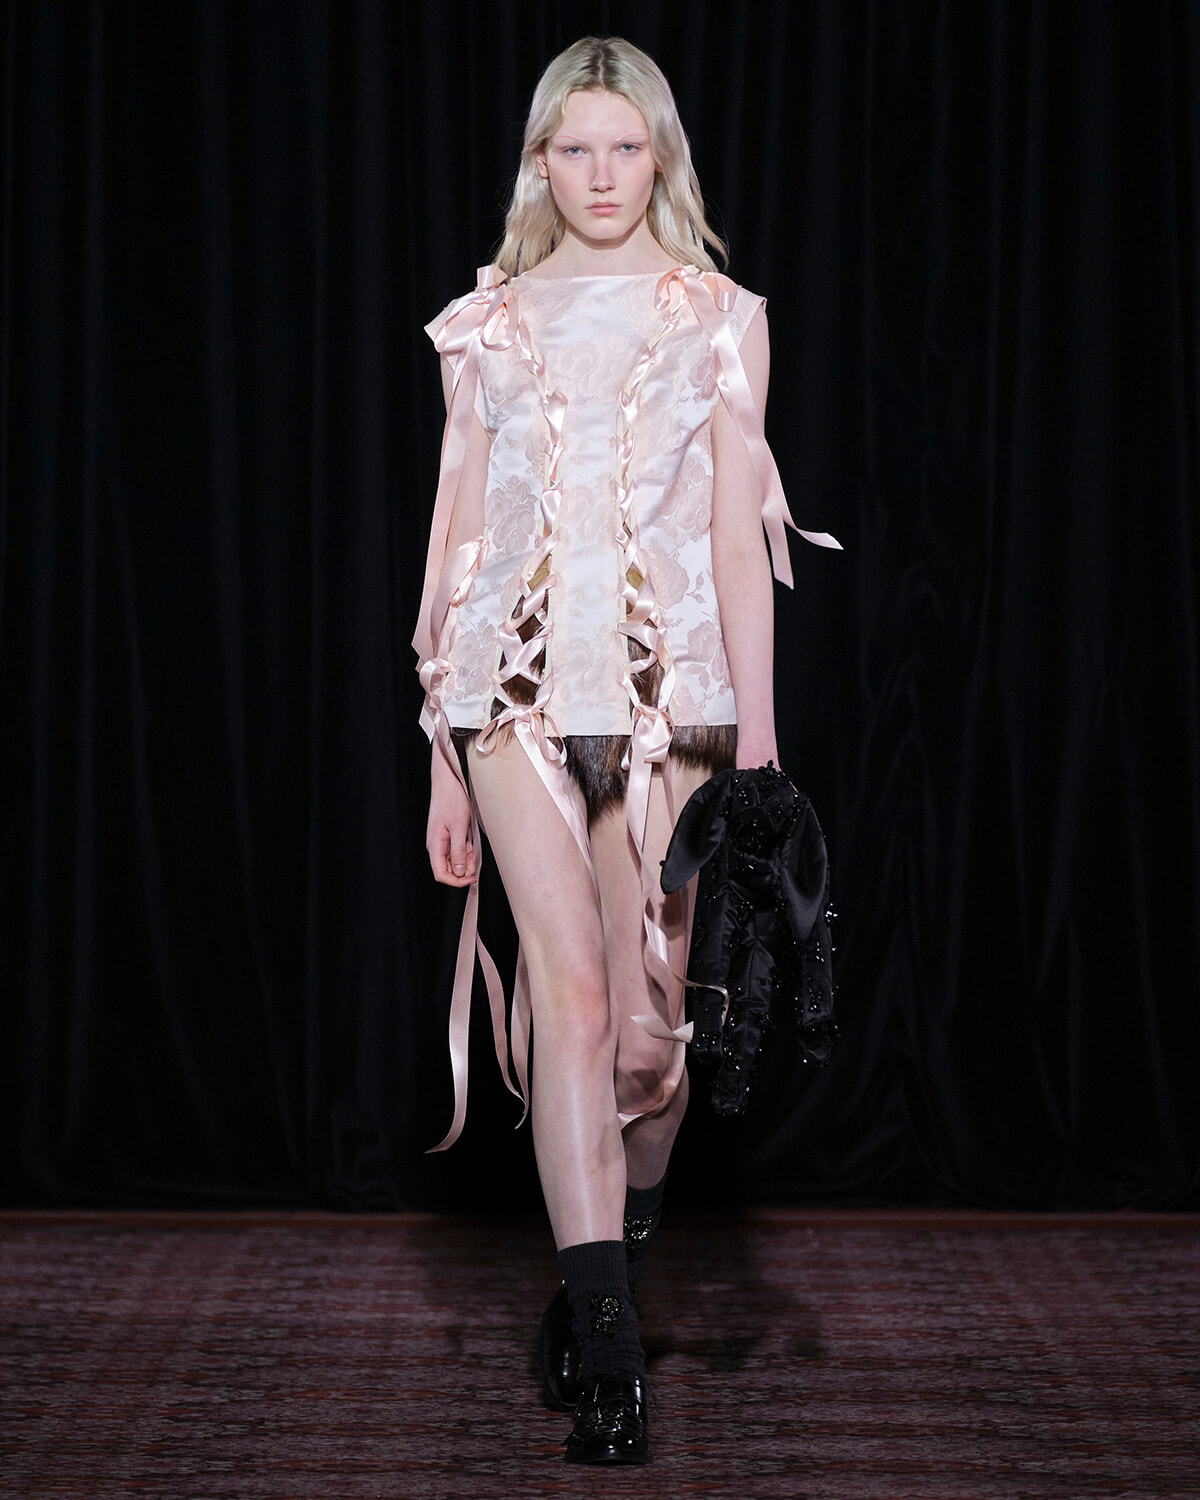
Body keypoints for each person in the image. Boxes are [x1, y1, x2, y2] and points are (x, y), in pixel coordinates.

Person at [414, 35, 838, 1466]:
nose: (600, 174)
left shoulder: (719, 313)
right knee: (575, 1009)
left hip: (675, 705)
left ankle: (611, 1260)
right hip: (512, 700)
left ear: (661, 155)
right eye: (572, 148)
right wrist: (437, 753)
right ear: (540, 162)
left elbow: (736, 535)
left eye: (625, 145)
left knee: (654, 1043)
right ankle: (607, 1352)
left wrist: (762, 755)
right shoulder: (488, 320)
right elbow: (460, 535)